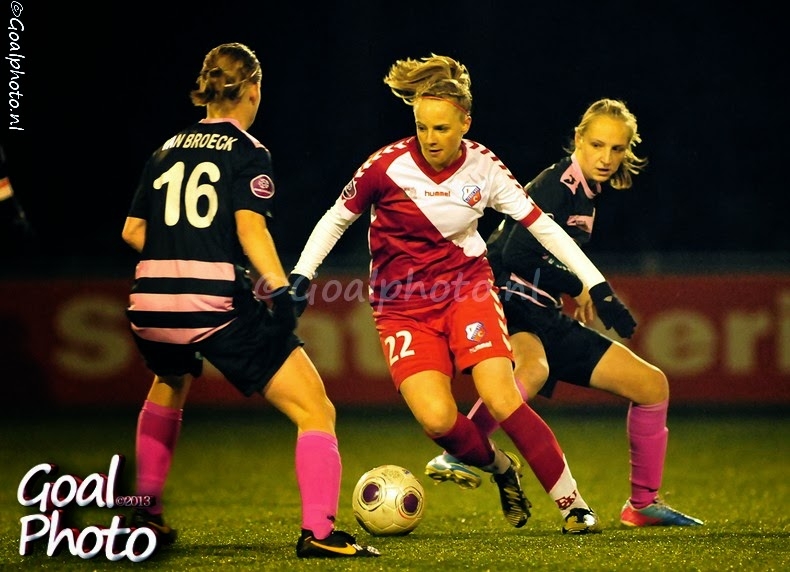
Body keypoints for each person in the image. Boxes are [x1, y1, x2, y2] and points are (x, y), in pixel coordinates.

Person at [289, 55, 636, 534]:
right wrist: (302, 276)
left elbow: (544, 228)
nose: (430, 138)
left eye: (442, 128)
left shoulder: (484, 168)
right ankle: (500, 467)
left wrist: (596, 284)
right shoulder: (385, 166)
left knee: (501, 396)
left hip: (465, 289)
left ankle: (572, 504)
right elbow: (336, 217)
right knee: (437, 420)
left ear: (464, 123)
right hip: (401, 307)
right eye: (422, 126)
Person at [121, 42, 379, 559]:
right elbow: (249, 227)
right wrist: (279, 289)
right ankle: (321, 533)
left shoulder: (165, 149)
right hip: (210, 301)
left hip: (147, 302)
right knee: (315, 407)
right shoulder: (247, 151)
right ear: (254, 89)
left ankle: (142, 513)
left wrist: (182, 253)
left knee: (169, 382)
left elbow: (132, 231)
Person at [425, 98, 703, 528]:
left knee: (651, 385)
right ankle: (459, 453)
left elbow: (546, 256)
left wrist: (573, 287)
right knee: (530, 370)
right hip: (509, 301)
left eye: (616, 149)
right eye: (597, 145)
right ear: (577, 139)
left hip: (547, 315)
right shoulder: (557, 184)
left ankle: (642, 505)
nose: (606, 157)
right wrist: (580, 284)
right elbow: (516, 250)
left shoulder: (586, 193)